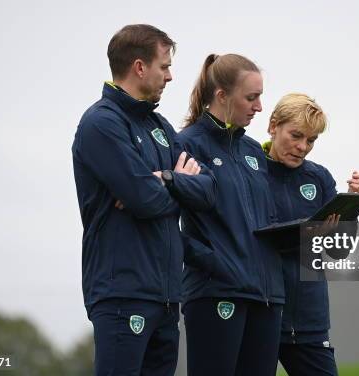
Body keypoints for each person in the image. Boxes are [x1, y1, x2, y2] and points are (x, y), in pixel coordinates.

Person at [71, 24, 216, 376]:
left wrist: (166, 180)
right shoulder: (101, 124)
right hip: (123, 293)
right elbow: (145, 201)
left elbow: (208, 190)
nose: (170, 76)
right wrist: (178, 186)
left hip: (167, 295)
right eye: (164, 66)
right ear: (139, 67)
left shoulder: (160, 126)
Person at [177, 54, 284, 376]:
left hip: (266, 296)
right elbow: (165, 221)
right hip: (215, 292)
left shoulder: (254, 152)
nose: (260, 107)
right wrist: (214, 262)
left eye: (261, 96)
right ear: (222, 96)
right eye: (251, 97)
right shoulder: (186, 144)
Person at [263, 93, 359, 375]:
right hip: (262, 314)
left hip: (310, 318)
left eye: (311, 140)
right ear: (274, 126)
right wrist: (307, 234)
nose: (302, 147)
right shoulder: (251, 172)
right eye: (296, 135)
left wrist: (352, 209)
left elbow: (338, 250)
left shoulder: (319, 178)